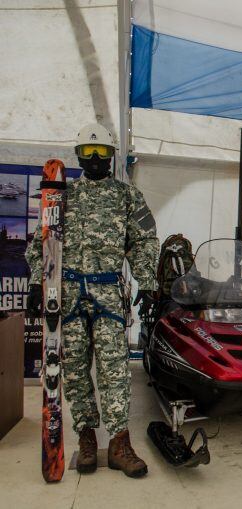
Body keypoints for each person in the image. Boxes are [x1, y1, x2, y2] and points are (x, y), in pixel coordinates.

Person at [26, 123, 159, 477]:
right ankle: (86, 439)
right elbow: (42, 239)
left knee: (115, 369)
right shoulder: (61, 196)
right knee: (75, 373)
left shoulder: (127, 196)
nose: (96, 158)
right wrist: (37, 282)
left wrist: (147, 282)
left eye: (102, 152)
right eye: (88, 152)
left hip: (108, 297)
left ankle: (119, 443)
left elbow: (144, 240)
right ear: (78, 155)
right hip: (67, 296)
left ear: (113, 155)